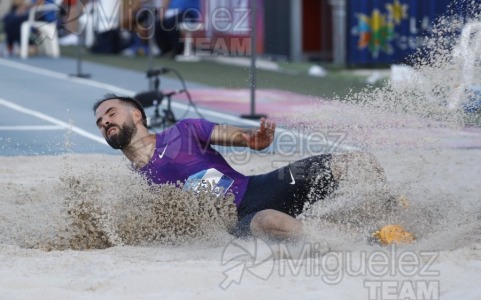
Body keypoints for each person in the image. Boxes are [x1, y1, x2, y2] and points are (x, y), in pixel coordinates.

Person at [93, 94, 395, 241]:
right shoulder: (138, 183)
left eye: (110, 113)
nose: (105, 121)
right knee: (270, 222)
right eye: (100, 122)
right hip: (239, 220)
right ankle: (368, 238)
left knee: (354, 162)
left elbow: (240, 137)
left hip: (260, 187)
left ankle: (393, 214)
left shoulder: (184, 131)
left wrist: (255, 140)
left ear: (136, 114)